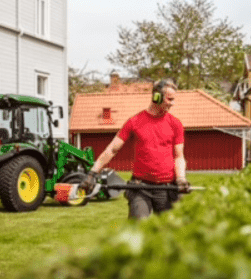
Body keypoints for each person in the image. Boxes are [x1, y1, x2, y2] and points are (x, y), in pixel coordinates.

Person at [80, 79, 190, 219]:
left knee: (168, 234)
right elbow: (112, 149)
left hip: (167, 189)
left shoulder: (175, 124)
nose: (172, 103)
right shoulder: (135, 122)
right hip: (140, 188)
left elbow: (179, 156)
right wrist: (92, 173)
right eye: (169, 99)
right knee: (137, 230)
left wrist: (181, 178)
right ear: (156, 97)